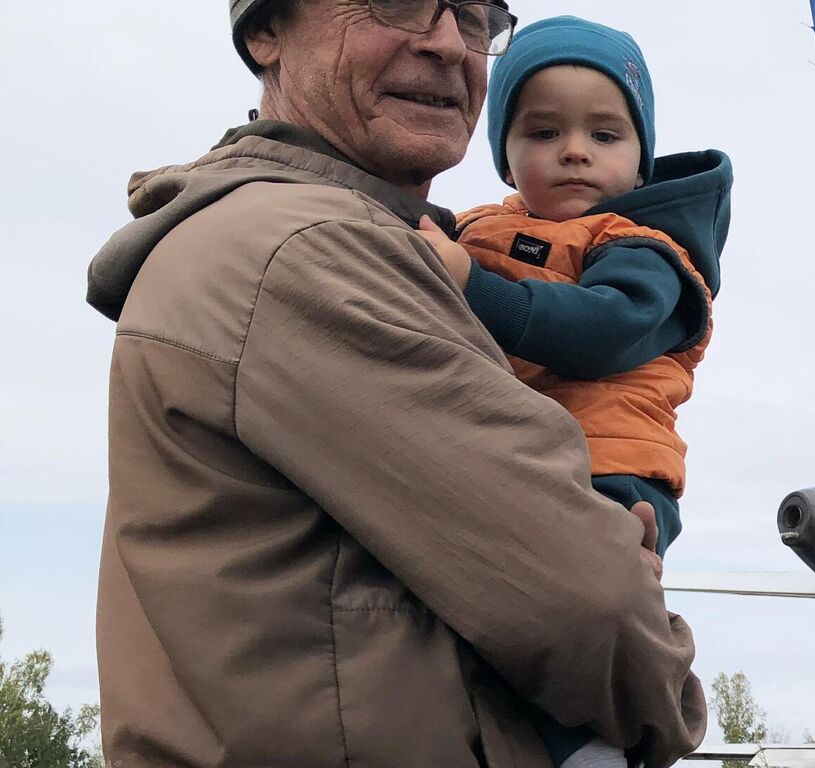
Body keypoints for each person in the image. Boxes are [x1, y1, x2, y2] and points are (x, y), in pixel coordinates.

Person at [82, 1, 706, 765]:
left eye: (475, 15)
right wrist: (665, 695)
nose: (447, 42)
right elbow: (590, 603)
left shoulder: (387, 242)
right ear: (265, 32)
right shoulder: (307, 251)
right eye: (397, 1)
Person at [410, 15, 731, 768]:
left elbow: (599, 333)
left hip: (612, 472)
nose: (575, 150)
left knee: (574, 617)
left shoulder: (645, 252)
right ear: (505, 153)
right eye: (544, 131)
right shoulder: (477, 229)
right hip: (520, 463)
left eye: (606, 135)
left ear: (641, 157)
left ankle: (595, 748)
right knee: (486, 620)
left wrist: (473, 289)